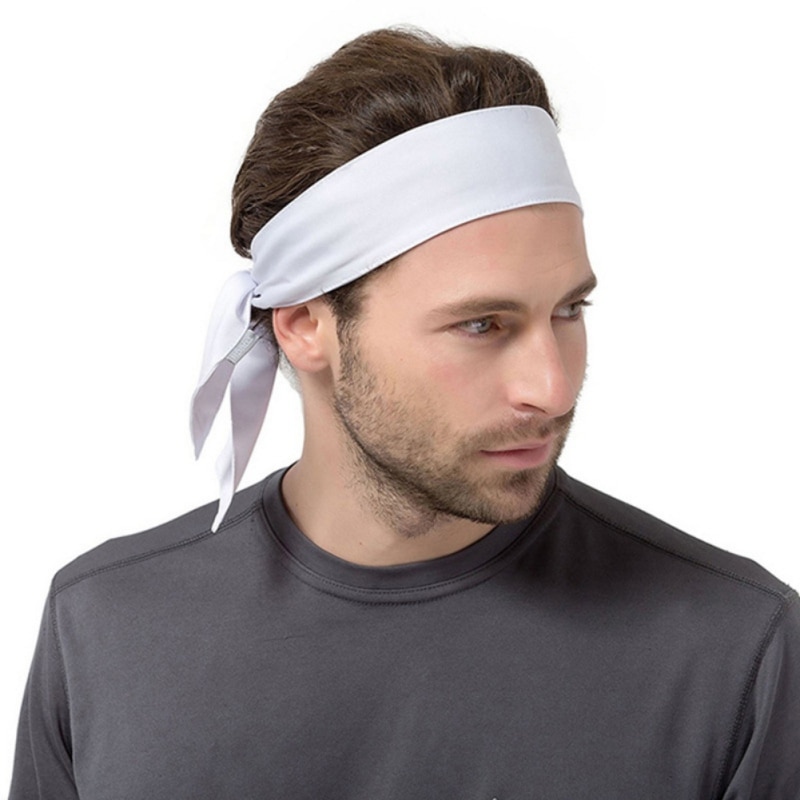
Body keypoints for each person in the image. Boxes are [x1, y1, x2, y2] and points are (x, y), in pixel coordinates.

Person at [9, 27, 799, 800]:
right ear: (305, 326)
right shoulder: (105, 629)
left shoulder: (736, 653)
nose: (552, 388)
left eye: (568, 310)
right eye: (482, 325)